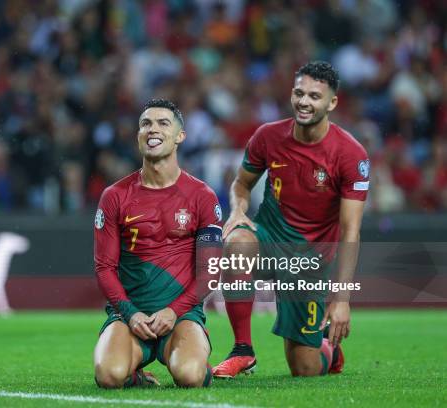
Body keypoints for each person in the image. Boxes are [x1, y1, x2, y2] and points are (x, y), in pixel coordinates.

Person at [212, 61, 369, 377]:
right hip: (270, 238)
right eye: (299, 93)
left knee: (305, 368)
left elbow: (351, 229)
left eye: (314, 96)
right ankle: (243, 350)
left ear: (332, 103)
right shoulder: (268, 137)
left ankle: (328, 349)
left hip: (311, 260)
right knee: (237, 241)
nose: (304, 102)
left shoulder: (351, 155)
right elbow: (242, 183)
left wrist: (341, 299)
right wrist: (238, 210)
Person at [93, 99, 222, 388]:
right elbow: (104, 267)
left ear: (180, 136)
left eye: (163, 123)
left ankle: (198, 361)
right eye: (145, 123)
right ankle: (135, 374)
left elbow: (211, 272)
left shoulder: (202, 196)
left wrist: (174, 311)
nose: (153, 129)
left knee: (189, 376)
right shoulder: (114, 196)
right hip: (130, 314)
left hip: (181, 314)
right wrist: (130, 313)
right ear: (138, 135)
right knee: (108, 376)